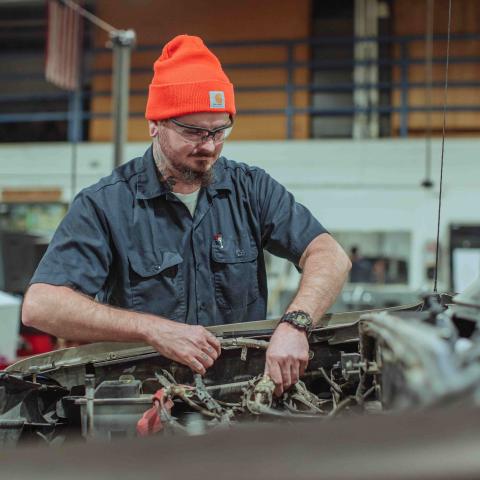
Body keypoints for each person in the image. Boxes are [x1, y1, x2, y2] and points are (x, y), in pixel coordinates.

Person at [22, 35, 351, 396]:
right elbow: (42, 305)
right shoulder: (105, 205)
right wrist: (152, 329)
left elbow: (329, 255)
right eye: (193, 131)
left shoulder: (251, 189)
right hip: (145, 399)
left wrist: (296, 324)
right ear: (155, 124)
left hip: (241, 395)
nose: (208, 146)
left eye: (219, 130)